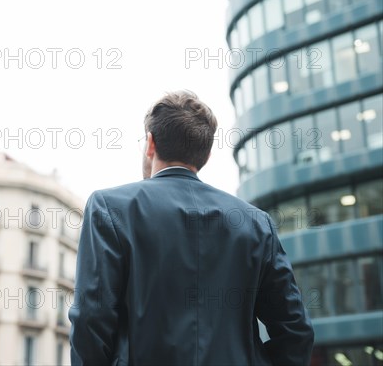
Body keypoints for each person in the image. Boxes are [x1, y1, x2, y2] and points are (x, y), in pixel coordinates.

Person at [68, 90, 314, 365]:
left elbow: (91, 319)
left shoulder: (109, 208)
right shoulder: (257, 224)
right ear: (206, 154)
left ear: (150, 143)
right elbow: (295, 330)